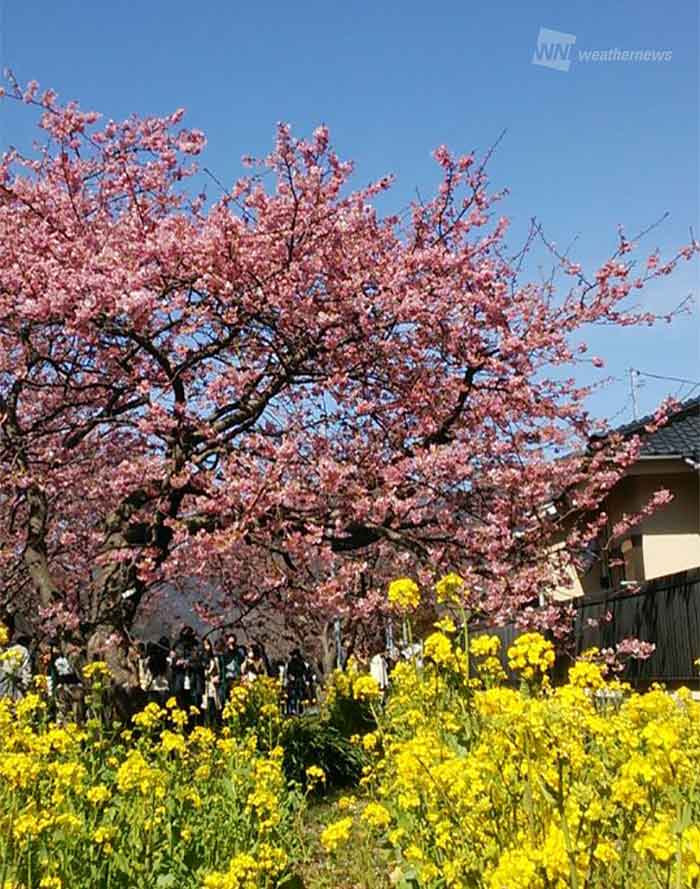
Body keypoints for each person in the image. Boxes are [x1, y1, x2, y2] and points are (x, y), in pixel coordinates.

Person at [48, 639, 84, 724]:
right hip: (61, 686)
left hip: (75, 686)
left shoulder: (74, 655)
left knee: (77, 714)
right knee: (62, 713)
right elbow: (53, 674)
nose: (54, 650)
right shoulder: (54, 657)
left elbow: (80, 672)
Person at [171, 625, 203, 713]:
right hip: (180, 678)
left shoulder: (197, 646)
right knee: (180, 703)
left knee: (194, 704)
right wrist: (177, 662)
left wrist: (189, 663)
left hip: (194, 679)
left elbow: (201, 662)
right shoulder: (177, 645)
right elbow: (172, 663)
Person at [0, 615, 32, 701]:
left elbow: (27, 680)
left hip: (14, 702)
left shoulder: (20, 651)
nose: (5, 630)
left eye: (6, 627)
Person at [201, 638, 221, 727]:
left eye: (207, 644)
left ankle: (215, 725)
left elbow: (219, 672)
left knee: (214, 705)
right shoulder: (200, 659)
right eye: (204, 645)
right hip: (203, 685)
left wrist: (216, 678)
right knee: (205, 707)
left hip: (212, 685)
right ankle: (206, 725)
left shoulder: (214, 659)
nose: (206, 647)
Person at [219, 633, 244, 706]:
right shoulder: (223, 655)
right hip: (225, 680)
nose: (232, 645)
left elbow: (241, 664)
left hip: (235, 679)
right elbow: (220, 667)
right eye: (230, 643)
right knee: (223, 700)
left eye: (233, 643)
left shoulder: (238, 654)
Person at [285, 648, 307, 716]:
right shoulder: (290, 663)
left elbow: (304, 671)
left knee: (300, 696)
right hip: (292, 682)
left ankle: (301, 710)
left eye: (295, 655)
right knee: (292, 696)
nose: (294, 656)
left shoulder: (301, 663)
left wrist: (303, 678)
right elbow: (288, 673)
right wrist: (290, 677)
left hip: (299, 681)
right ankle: (293, 710)